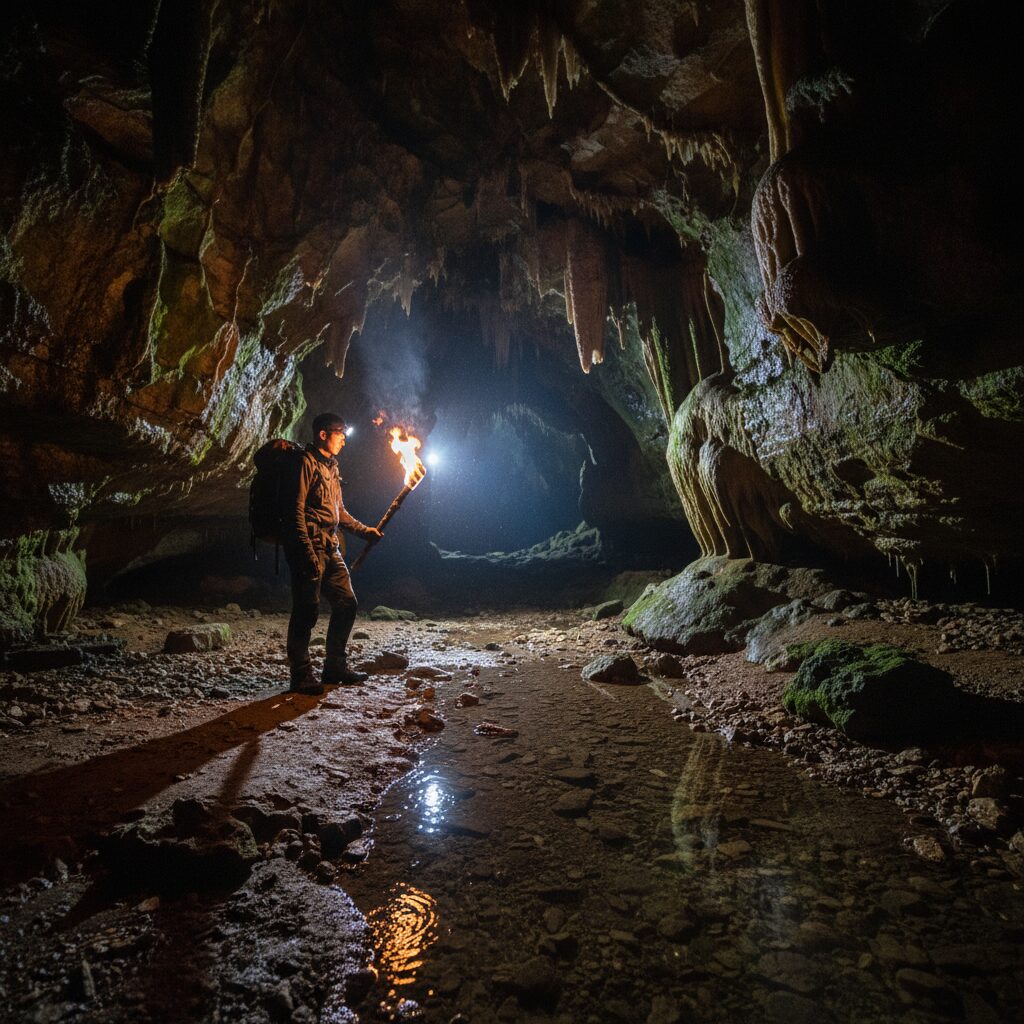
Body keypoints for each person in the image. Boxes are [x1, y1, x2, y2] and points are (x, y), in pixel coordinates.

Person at [284, 412, 382, 694]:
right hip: (309, 546)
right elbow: (295, 511)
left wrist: (365, 531)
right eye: (340, 433)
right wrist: (306, 552)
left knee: (346, 603)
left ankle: (335, 666)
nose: (344, 439)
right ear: (323, 434)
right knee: (307, 609)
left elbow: (338, 511)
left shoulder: (332, 467)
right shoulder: (305, 463)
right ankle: (300, 674)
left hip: (331, 544)